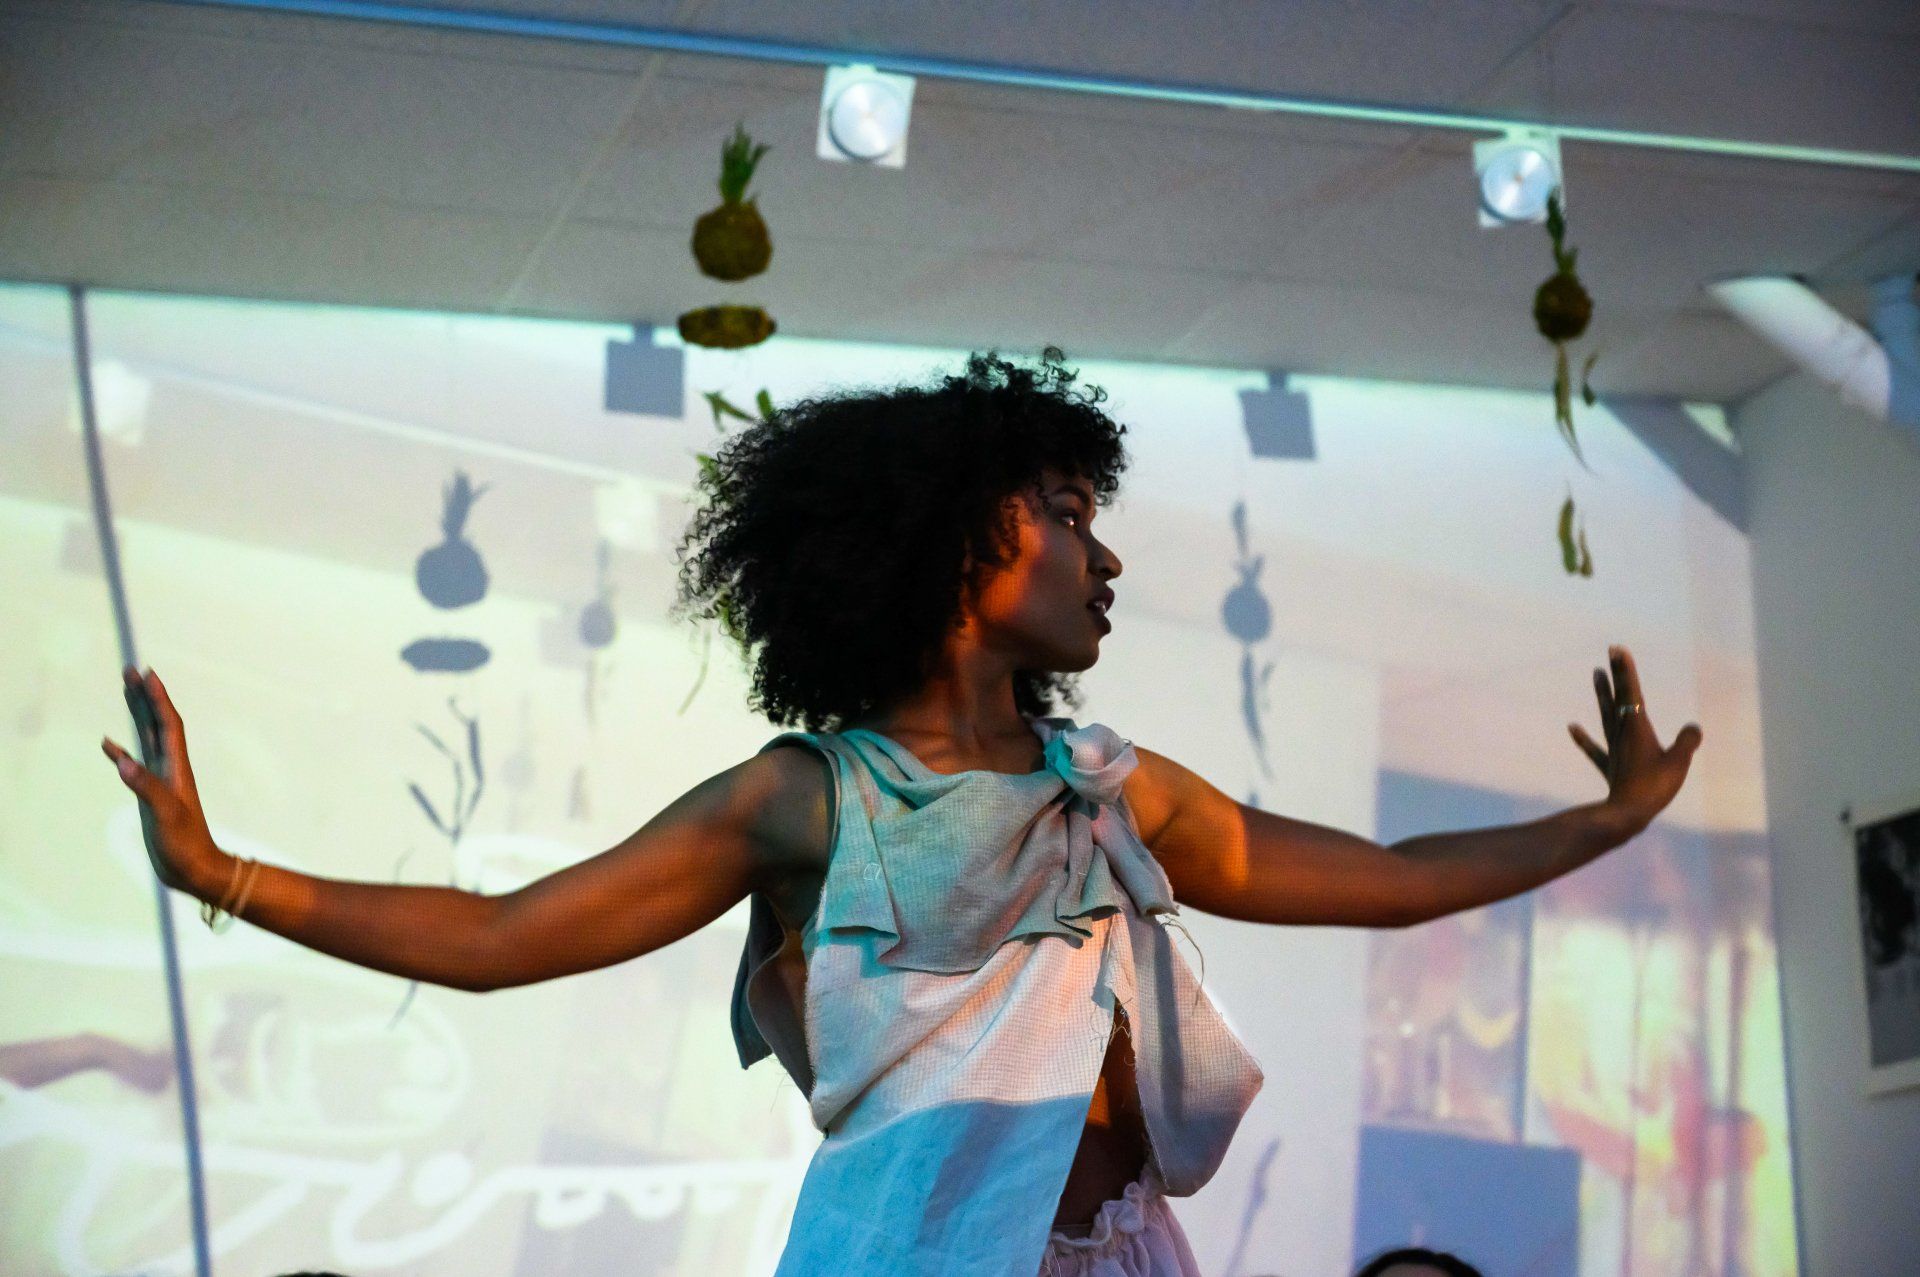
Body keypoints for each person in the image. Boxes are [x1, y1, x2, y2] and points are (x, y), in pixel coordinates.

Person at [101, 349, 1703, 1275]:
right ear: (950, 536)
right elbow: (506, 931)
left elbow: (1381, 874)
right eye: (1066, 512)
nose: (1105, 555)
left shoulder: (1111, 787)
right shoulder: (806, 798)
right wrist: (220, 871)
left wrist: (1603, 825)